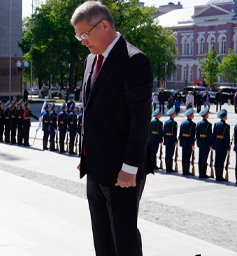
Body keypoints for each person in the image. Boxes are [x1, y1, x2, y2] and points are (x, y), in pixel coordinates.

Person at [73, 2, 154, 254]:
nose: (83, 41)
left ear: (104, 25)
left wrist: (129, 169)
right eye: (79, 37)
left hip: (123, 173)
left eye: (84, 34)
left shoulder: (134, 60)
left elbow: (140, 119)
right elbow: (92, 112)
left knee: (124, 238)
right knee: (102, 238)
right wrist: (85, 154)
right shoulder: (90, 60)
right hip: (95, 168)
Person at [213, 109, 231, 181]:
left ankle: (217, 175)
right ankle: (220, 176)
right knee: (221, 160)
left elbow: (213, 135)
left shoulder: (216, 124)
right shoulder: (226, 126)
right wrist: (228, 147)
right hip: (223, 144)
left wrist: (213, 144)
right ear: (225, 116)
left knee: (217, 160)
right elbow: (227, 138)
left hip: (217, 143)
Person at [196, 107, 213, 179]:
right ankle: (203, 173)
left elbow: (197, 134)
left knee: (200, 158)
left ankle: (200, 172)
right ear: (205, 115)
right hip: (206, 142)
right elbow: (209, 135)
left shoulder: (199, 123)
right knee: (204, 158)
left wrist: (198, 142)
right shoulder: (209, 125)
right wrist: (210, 144)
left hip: (200, 142)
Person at [179, 108, 197, 176]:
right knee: (188, 156)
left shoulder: (183, 123)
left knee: (184, 156)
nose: (193, 115)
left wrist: (181, 142)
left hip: (183, 141)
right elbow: (192, 135)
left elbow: (180, 133)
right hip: (189, 142)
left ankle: (184, 170)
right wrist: (192, 143)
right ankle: (186, 170)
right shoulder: (193, 124)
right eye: (192, 114)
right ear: (190, 115)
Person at [164, 107, 178, 173]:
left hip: (167, 139)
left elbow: (163, 132)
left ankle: (167, 167)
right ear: (172, 114)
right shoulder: (174, 123)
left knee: (167, 154)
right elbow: (174, 133)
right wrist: (175, 140)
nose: (175, 114)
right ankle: (170, 168)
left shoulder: (166, 122)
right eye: (174, 113)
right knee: (171, 154)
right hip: (171, 140)